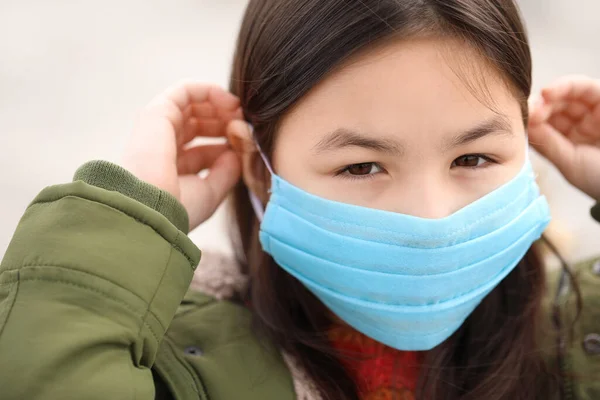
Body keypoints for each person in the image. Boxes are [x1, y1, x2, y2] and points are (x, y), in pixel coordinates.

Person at [1, 0, 599, 399]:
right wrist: (126, 221)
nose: (430, 216)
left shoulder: (579, 340)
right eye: (361, 165)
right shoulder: (167, 365)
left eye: (473, 158)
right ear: (260, 172)